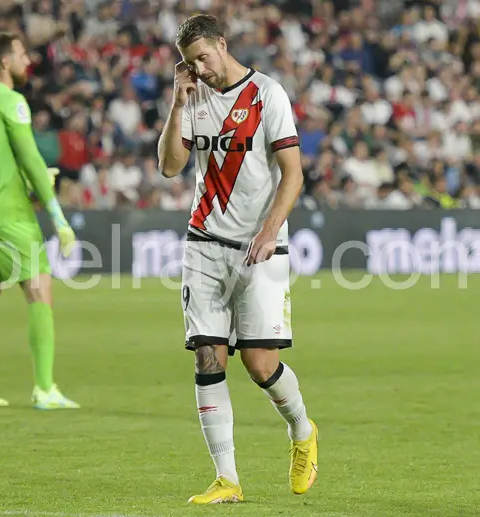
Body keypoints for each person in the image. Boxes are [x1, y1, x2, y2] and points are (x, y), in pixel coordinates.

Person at [157, 14, 318, 504]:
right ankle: (227, 479)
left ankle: (302, 430)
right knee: (208, 357)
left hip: (259, 246)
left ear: (223, 45)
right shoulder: (192, 97)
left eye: (203, 57)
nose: (199, 68)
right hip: (204, 242)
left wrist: (270, 231)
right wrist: (177, 103)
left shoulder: (267, 94)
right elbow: (169, 166)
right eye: (189, 62)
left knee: (259, 363)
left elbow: (293, 172)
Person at [0, 32, 79, 410]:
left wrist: (20, 179)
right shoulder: (10, 100)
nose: (29, 61)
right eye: (23, 55)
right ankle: (45, 389)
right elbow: (30, 160)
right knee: (40, 290)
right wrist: (58, 218)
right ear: (5, 62)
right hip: (10, 213)